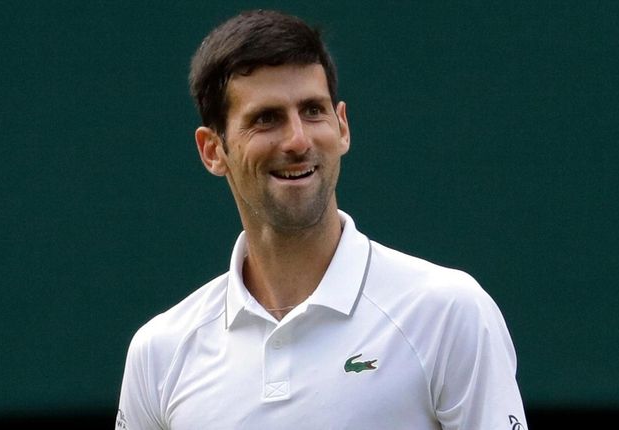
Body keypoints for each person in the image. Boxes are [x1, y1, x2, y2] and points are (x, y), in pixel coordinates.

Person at [116, 9, 527, 430]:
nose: (297, 140)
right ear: (212, 150)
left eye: (313, 111)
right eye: (266, 119)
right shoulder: (159, 352)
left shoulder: (449, 312)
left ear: (342, 126)